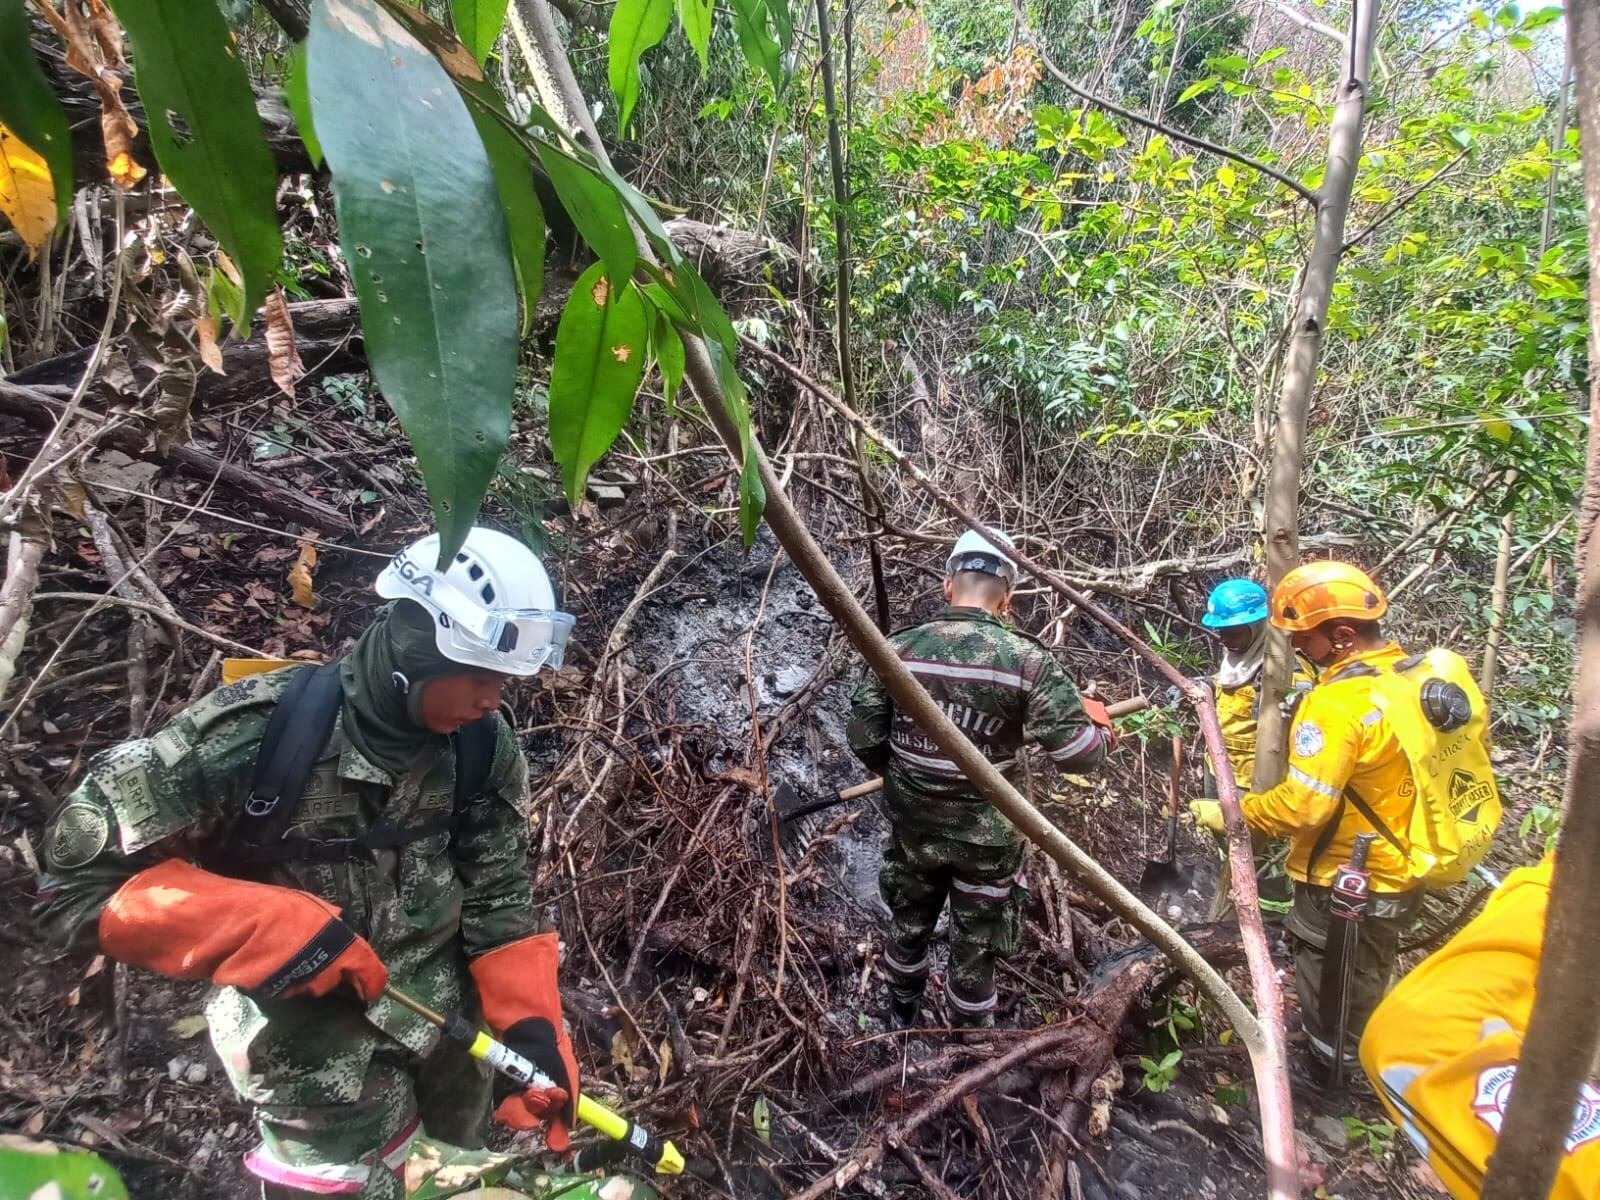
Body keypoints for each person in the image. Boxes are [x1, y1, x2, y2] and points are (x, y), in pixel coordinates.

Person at [35, 528, 580, 1199]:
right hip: (314, 1063)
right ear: (417, 645)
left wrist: (529, 1026)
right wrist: (251, 921)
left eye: (506, 681)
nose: (494, 699)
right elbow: (69, 882)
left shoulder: (481, 746)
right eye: (480, 676)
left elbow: (499, 895)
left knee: (452, 1181)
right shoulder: (259, 735)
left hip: (452, 1044)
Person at [847, 527, 1114, 1029]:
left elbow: (862, 737)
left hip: (915, 829)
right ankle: (968, 1051)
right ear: (1008, 597)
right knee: (976, 947)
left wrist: (903, 776)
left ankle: (899, 1019)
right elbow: (1079, 757)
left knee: (908, 924)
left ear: (948, 584)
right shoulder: (1029, 662)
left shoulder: (899, 649)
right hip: (987, 845)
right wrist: (1098, 725)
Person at [1190, 561, 1433, 1077]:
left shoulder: (1333, 702)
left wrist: (1233, 814)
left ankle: (1334, 1087)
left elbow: (1304, 806)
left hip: (1347, 875)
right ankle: (1353, 1064)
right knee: (1361, 979)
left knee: (1336, 990)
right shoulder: (1406, 679)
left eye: (1304, 637)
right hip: (1389, 865)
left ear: (1342, 635)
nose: (1297, 647)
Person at [1361, 857, 1600, 1199]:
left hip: (1365, 872)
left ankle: (1326, 1069)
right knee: (1369, 961)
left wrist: (1575, 889)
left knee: (1360, 967)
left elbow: (1416, 1038)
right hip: (1396, 873)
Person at [1198, 578, 1313, 917]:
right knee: (1227, 847)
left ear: (1257, 625)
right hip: (1218, 768)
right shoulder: (1237, 658)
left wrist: (1288, 702)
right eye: (1221, 631)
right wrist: (1202, 688)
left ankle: (1270, 922)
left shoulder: (1285, 671)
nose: (1224, 639)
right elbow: (1229, 686)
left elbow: (1307, 715)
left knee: (1259, 856)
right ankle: (1228, 904)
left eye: (1233, 631)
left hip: (1255, 782)